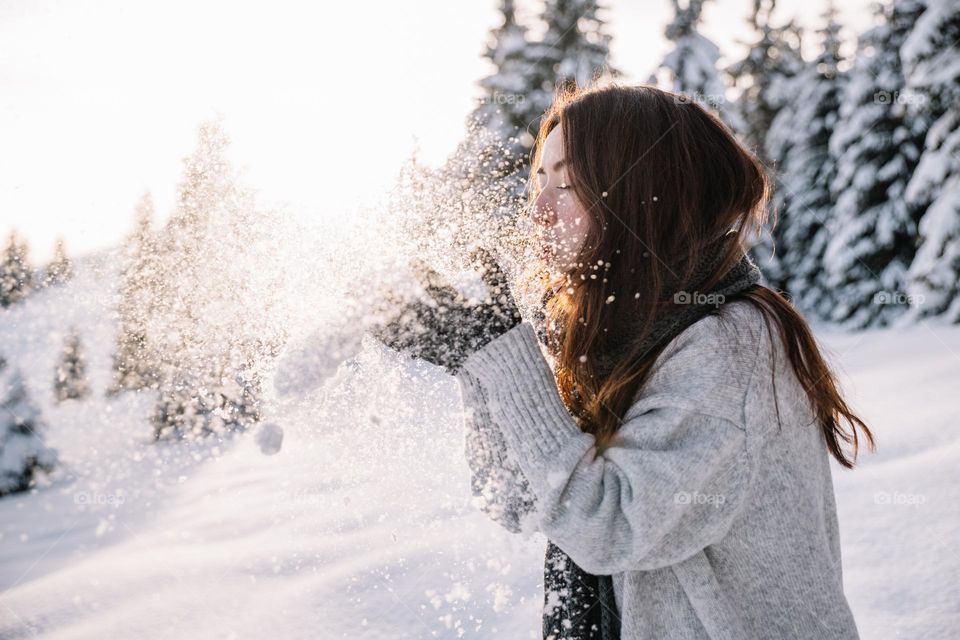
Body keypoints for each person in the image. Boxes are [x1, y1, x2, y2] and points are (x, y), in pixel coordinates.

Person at [375, 83, 874, 640]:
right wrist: (475, 358)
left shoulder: (730, 346)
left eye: (567, 184)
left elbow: (607, 527)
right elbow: (519, 500)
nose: (538, 210)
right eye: (538, 181)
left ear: (645, 195)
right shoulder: (620, 336)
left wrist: (497, 354)